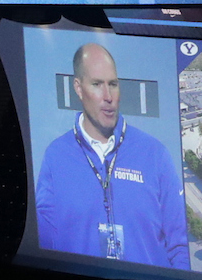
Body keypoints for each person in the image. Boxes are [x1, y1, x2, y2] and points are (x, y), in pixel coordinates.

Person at [32, 42, 188, 266]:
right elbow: (43, 241)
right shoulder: (55, 156)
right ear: (78, 88)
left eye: (113, 84)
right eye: (97, 84)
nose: (108, 96)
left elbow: (180, 246)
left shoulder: (154, 154)